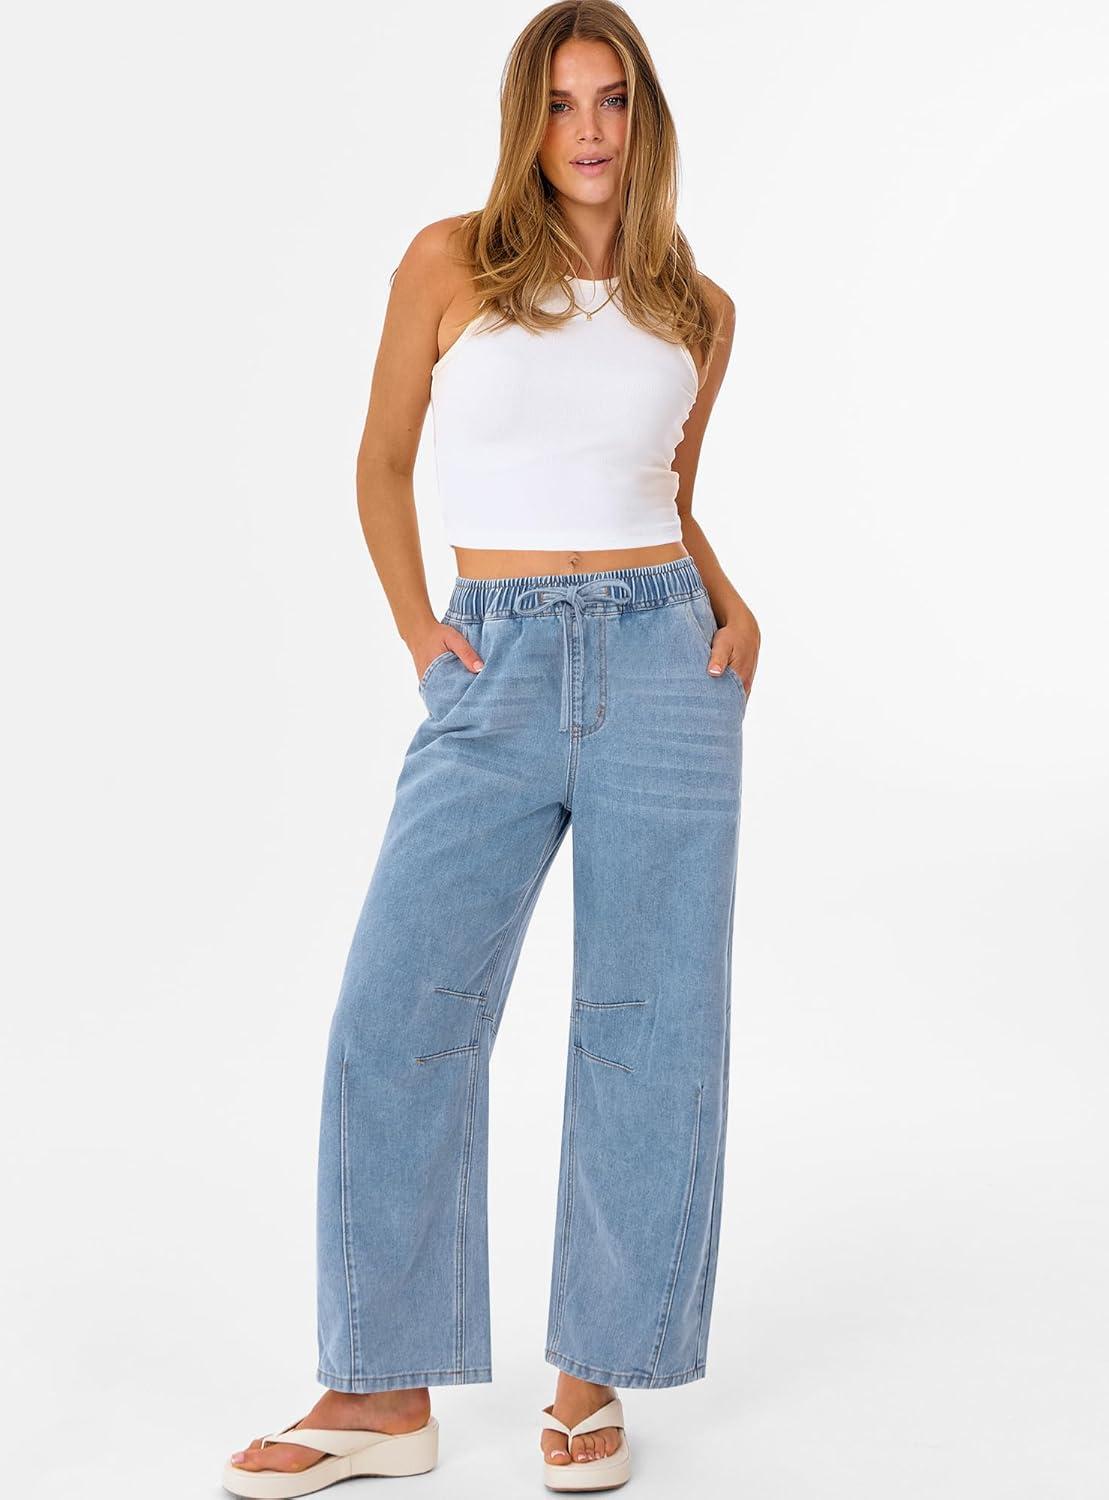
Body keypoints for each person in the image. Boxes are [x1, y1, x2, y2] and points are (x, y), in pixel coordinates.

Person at [223, 1, 760, 1493]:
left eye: (614, 100)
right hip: (495, 658)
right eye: (562, 102)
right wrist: (421, 634)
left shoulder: (698, 306)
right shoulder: (450, 261)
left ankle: (596, 1372)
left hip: (665, 659)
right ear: (526, 120)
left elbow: (663, 493)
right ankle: (378, 1392)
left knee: (649, 1021)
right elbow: (384, 458)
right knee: (396, 1005)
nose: (589, 130)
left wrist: (730, 606)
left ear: (645, 119)